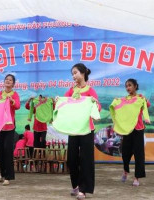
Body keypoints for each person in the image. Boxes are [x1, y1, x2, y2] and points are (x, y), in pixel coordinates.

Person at [65, 63, 101, 200]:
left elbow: (97, 106)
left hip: (86, 129)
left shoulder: (90, 90)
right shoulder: (71, 90)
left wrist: (94, 102)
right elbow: (64, 103)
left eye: (75, 73)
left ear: (83, 73)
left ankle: (83, 189)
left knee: (86, 159)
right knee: (72, 158)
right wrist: (59, 101)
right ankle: (76, 185)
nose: (73, 76)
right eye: (72, 74)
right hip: (74, 129)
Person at [121, 79, 150, 186]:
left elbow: (147, 106)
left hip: (138, 129)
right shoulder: (125, 99)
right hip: (127, 129)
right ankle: (125, 170)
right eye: (126, 86)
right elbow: (120, 110)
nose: (128, 88)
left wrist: (145, 100)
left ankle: (136, 178)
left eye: (130, 85)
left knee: (139, 154)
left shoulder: (140, 98)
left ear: (135, 86)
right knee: (125, 152)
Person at [0, 74, 20, 186]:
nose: (8, 81)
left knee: (7, 151)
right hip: (0, 127)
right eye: (6, 79)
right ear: (4, 82)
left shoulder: (15, 95)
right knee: (0, 151)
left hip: (10, 127)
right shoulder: (0, 94)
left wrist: (12, 101)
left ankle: (8, 177)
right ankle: (2, 174)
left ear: (13, 83)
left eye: (10, 80)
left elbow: (18, 106)